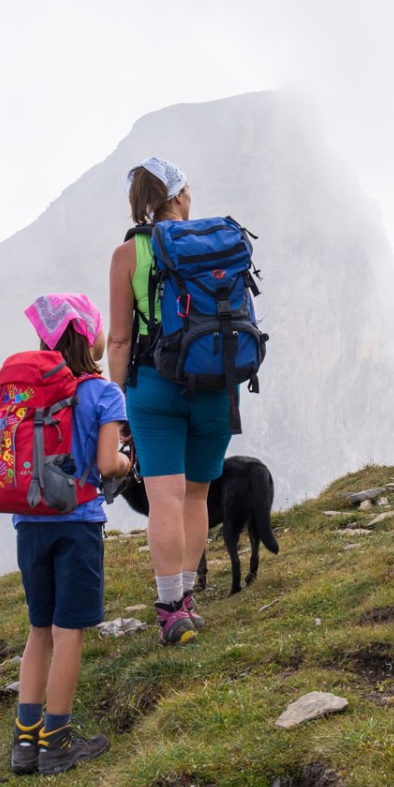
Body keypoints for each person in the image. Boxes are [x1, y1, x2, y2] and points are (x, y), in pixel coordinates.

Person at [107, 157, 235, 647]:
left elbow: (119, 340)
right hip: (216, 383)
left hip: (154, 386)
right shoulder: (217, 240)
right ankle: (189, 598)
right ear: (180, 196)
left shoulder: (128, 255)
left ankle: (171, 612)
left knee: (165, 497)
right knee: (198, 496)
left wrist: (118, 407)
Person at [10, 293, 132, 776]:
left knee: (39, 631)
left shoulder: (25, 389)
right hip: (77, 523)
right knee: (69, 631)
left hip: (29, 523)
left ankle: (24, 744)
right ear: (88, 334)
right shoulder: (103, 393)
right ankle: (57, 743)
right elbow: (107, 464)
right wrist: (126, 461)